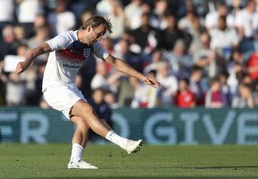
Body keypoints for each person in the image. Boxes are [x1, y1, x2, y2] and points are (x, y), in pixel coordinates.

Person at [15, 15, 160, 169]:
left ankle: (75, 161)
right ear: (89, 28)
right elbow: (40, 48)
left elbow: (115, 62)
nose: (100, 39)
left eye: (102, 35)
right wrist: (26, 62)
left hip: (69, 87)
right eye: (99, 34)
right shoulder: (66, 38)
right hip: (54, 87)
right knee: (88, 109)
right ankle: (124, 143)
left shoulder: (93, 46)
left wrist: (142, 77)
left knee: (84, 122)